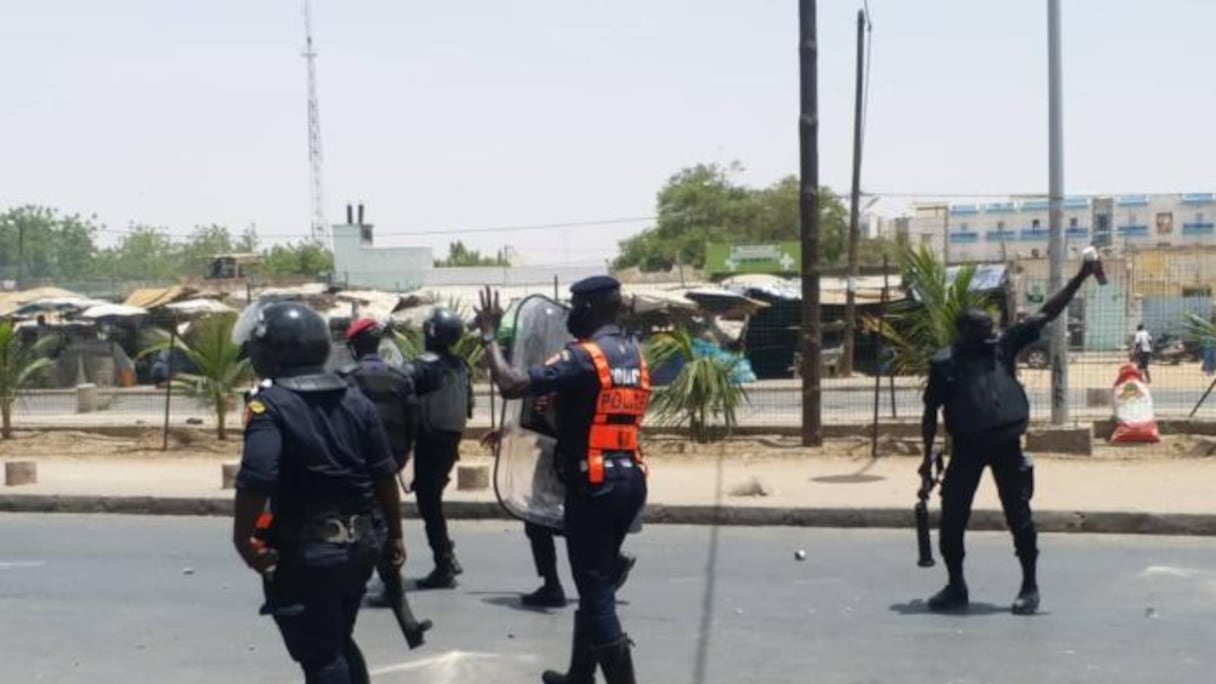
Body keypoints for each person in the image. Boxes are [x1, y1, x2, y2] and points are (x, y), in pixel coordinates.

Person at [475, 275, 648, 684]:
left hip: (594, 484)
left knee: (596, 592)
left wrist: (489, 337)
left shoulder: (583, 357)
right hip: (630, 479)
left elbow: (511, 385)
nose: (570, 314)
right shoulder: (632, 355)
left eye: (574, 305)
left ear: (588, 308)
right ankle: (579, 675)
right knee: (596, 582)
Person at [230, 301, 405, 684]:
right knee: (337, 640)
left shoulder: (268, 406)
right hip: (361, 546)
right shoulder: (355, 399)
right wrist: (394, 535)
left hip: (307, 555)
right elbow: (384, 475)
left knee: (321, 656)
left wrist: (243, 540)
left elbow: (257, 477)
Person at [921, 258, 1099, 616]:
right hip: (966, 450)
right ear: (964, 333)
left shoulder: (1003, 346)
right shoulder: (946, 365)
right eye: (984, 331)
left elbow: (1046, 312)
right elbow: (930, 412)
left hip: (1006, 446)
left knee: (1020, 516)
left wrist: (1080, 276)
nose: (992, 335)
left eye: (993, 329)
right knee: (952, 518)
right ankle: (956, 586)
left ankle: (1030, 586)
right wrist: (926, 460)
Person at [336, 318, 420, 607]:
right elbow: (413, 421)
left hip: (357, 463)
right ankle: (390, 583)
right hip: (391, 461)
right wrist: (403, 454)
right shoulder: (401, 377)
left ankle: (363, 583)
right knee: (384, 519)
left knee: (355, 522)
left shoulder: (345, 378)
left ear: (354, 347)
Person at [411, 307, 474, 589]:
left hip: (430, 441)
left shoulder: (424, 366)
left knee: (429, 502)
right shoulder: (461, 365)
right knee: (431, 500)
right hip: (449, 442)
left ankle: (444, 561)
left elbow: (399, 393)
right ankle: (446, 555)